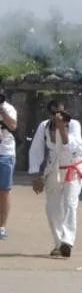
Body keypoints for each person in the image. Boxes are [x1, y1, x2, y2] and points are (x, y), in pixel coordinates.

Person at [28, 99, 82, 258]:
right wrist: (36, 175)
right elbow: (36, 151)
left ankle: (67, 241)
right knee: (52, 208)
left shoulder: (74, 125)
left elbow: (70, 146)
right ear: (49, 114)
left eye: (60, 112)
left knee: (70, 203)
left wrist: (61, 127)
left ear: (65, 111)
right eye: (53, 113)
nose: (57, 116)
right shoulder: (44, 126)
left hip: (73, 167)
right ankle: (59, 243)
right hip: (53, 168)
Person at [0, 90, 18, 239]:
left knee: (4, 191)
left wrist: (2, 110)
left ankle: (1, 226)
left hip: (4, 153)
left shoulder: (9, 108)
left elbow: (12, 126)